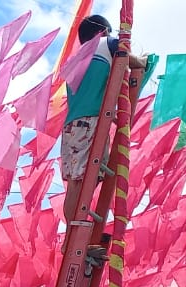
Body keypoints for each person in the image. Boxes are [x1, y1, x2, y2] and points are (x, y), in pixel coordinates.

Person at [60, 15, 147, 191]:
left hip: (71, 125)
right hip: (90, 121)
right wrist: (144, 61)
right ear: (104, 31)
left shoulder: (73, 59)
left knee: (74, 182)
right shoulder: (107, 42)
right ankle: (79, 219)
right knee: (85, 180)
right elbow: (128, 58)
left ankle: (73, 220)